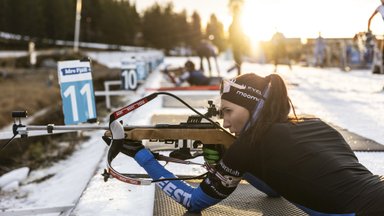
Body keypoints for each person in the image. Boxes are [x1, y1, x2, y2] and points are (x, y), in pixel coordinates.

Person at [113, 73, 384, 215]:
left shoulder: (252, 145)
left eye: (229, 111)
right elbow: (275, 188)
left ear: (252, 106)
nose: (226, 123)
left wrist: (142, 156)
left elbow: (194, 202)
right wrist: (227, 158)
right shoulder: (316, 124)